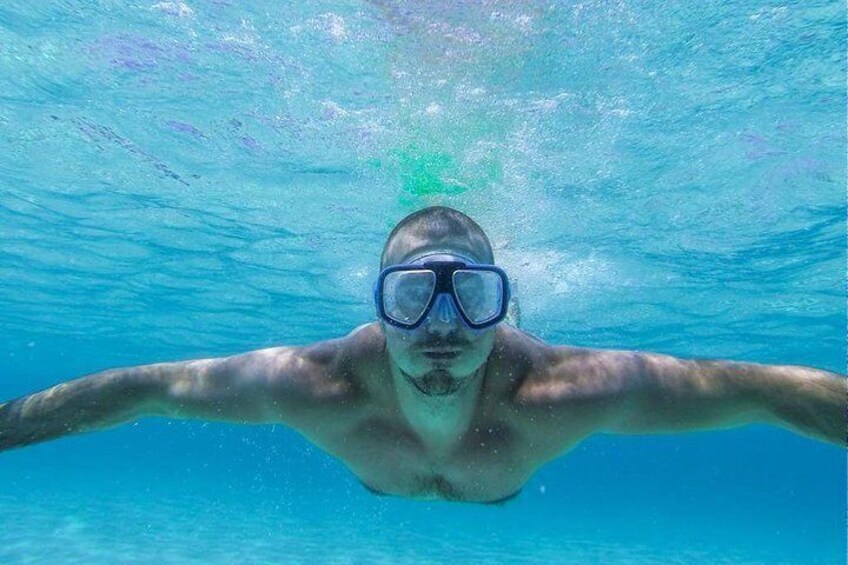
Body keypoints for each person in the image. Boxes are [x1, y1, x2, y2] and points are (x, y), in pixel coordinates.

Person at [0, 206, 844, 504]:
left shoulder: (569, 389)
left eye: (470, 295)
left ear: (502, 305)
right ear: (376, 303)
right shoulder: (314, 383)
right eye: (411, 295)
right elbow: (143, 387)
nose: (442, 323)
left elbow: (767, 388)